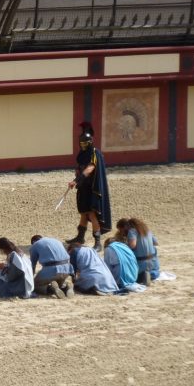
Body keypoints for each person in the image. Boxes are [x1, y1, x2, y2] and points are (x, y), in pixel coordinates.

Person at [66, 121, 112, 250]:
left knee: (92, 214)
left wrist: (77, 179)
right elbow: (80, 168)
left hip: (93, 188)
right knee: (83, 213)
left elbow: (90, 168)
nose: (83, 145)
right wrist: (76, 179)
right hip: (83, 187)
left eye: (85, 143)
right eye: (81, 143)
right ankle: (80, 237)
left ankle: (98, 243)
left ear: (90, 142)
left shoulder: (95, 153)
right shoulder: (82, 154)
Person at [116, 217, 160, 285]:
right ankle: (150, 274)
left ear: (125, 226)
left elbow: (133, 245)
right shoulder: (147, 230)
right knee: (154, 273)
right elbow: (156, 243)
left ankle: (143, 275)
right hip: (154, 264)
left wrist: (124, 246)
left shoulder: (132, 231)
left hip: (141, 264)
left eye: (121, 230)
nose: (121, 232)